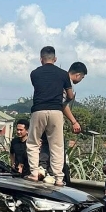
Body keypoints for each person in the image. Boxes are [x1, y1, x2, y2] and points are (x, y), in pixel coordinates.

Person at [25, 46, 74, 186]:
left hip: (38, 110)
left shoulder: (34, 73)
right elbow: (70, 95)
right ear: (55, 59)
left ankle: (34, 173)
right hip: (56, 111)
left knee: (33, 143)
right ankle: (58, 178)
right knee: (57, 145)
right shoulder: (63, 74)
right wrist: (66, 99)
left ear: (41, 59)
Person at [38, 61, 88, 182]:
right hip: (54, 115)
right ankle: (51, 174)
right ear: (78, 74)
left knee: (45, 142)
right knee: (57, 145)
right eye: (82, 77)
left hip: (40, 112)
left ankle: (42, 167)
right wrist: (74, 121)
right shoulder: (66, 83)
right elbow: (63, 104)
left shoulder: (54, 78)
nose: (81, 80)